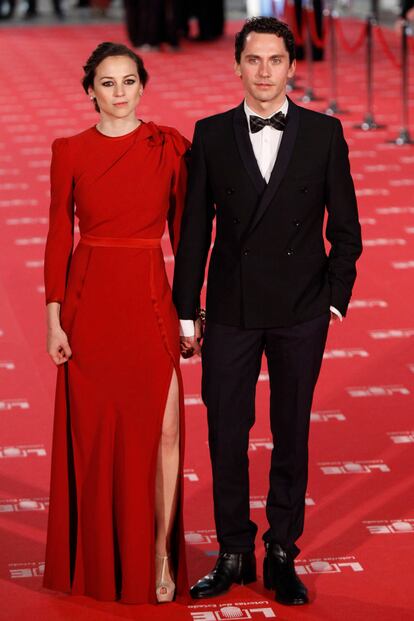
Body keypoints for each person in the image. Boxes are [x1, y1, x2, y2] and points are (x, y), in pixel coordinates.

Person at [173, 16, 362, 606]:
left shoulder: (326, 133)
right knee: (226, 431)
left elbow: (348, 230)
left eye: (274, 60)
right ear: (236, 66)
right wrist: (187, 308)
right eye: (252, 60)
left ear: (291, 66)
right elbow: (193, 232)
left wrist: (334, 298)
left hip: (301, 309)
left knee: (291, 433)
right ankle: (233, 550)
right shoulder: (208, 135)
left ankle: (281, 550)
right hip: (230, 307)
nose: (263, 72)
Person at [43, 42, 189, 604]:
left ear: (142, 86)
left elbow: (187, 236)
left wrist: (190, 311)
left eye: (130, 80)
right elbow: (60, 235)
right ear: (90, 92)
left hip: (150, 297)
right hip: (90, 301)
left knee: (166, 429)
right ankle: (100, 553)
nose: (121, 92)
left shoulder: (168, 148)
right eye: (108, 83)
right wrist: (55, 319)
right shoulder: (70, 151)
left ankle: (158, 550)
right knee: (99, 435)